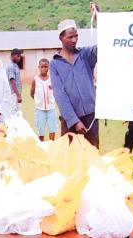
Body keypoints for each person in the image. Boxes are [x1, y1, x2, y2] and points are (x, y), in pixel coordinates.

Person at [50, 17, 99, 148]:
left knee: (92, 152)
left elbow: (105, 45)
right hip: (69, 119)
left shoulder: (85, 55)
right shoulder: (55, 63)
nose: (74, 40)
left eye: (76, 36)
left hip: (90, 116)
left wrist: (98, 19)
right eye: (70, 37)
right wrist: (74, 121)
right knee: (69, 156)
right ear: (61, 38)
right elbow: (60, 95)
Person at [31, 58, 58, 141]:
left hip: (51, 109)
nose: (44, 68)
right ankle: (41, 146)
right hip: (40, 109)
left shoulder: (52, 79)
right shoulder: (35, 79)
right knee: (40, 130)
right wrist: (39, 101)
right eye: (42, 66)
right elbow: (32, 94)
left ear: (48, 67)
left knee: (52, 129)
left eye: (46, 66)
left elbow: (56, 92)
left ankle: (52, 145)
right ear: (39, 67)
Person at [7, 48, 23, 114]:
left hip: (16, 93)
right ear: (12, 56)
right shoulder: (11, 66)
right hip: (13, 93)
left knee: (18, 111)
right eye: (18, 56)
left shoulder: (15, 65)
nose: (19, 58)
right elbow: (12, 81)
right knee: (13, 111)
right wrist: (18, 95)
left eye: (20, 56)